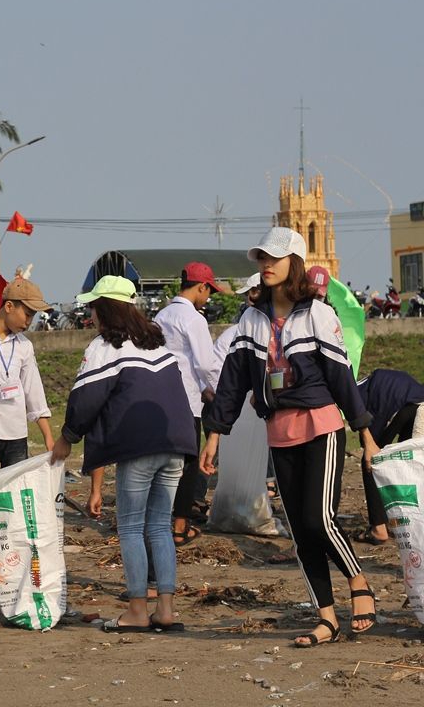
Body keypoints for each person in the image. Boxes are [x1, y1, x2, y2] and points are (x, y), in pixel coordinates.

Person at [200, 226, 380, 647]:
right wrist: (215, 434)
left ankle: (359, 582)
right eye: (261, 258)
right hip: (278, 431)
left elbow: (342, 380)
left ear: (293, 263)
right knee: (300, 531)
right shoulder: (250, 319)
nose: (265, 264)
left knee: (319, 519)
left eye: (274, 258)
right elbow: (231, 383)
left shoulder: (318, 314)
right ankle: (327, 618)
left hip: (321, 427)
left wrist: (366, 433)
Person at [51, 275, 195, 633]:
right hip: (176, 444)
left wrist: (68, 437)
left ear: (105, 310)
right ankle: (166, 610)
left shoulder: (105, 347)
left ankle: (135, 610)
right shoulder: (157, 344)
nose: (90, 315)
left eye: (93, 308)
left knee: (131, 527)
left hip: (141, 447)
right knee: (160, 526)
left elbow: (85, 399)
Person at [153, 262, 226, 547]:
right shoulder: (194, 319)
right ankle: (179, 527)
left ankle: (159, 522)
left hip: (160, 397)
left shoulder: (162, 315)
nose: (208, 297)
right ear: (201, 287)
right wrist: (213, 391)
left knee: (163, 464)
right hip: (187, 399)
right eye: (209, 291)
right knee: (189, 463)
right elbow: (206, 364)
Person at [0, 278, 57, 475]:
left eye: (33, 317)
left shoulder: (24, 346)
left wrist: (48, 437)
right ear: (9, 306)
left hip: (14, 433)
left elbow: (33, 390)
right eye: (27, 315)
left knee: (17, 492)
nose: (29, 322)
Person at [355, 369, 424, 544]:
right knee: (405, 463)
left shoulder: (352, 396)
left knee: (371, 461)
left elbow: (371, 434)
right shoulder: (364, 384)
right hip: (414, 402)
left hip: (411, 408)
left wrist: (369, 446)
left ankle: (379, 529)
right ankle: (401, 520)